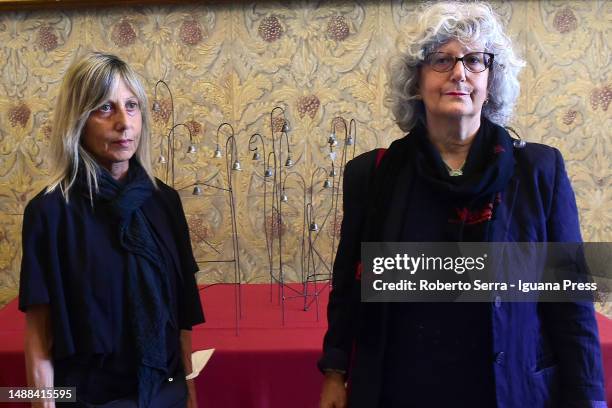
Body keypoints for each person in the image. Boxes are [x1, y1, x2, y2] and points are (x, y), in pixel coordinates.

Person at [318, 2, 606, 407]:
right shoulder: (373, 174)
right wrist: (334, 371)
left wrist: (589, 399)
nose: (459, 73)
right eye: (442, 60)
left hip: (508, 390)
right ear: (415, 81)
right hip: (400, 388)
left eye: (474, 60)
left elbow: (570, 298)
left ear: (491, 78)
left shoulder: (540, 171)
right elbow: (349, 285)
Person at [19, 52, 204, 408]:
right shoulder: (50, 212)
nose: (124, 122)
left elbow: (181, 314)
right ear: (78, 120)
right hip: (87, 397)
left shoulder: (164, 201)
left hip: (163, 393)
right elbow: (39, 335)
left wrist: (189, 393)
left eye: (132, 106)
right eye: (105, 108)